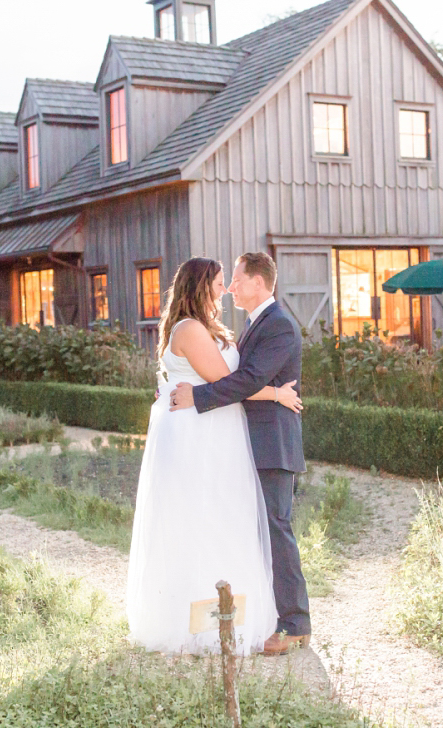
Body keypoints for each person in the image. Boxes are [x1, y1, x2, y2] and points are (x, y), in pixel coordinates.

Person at [126, 257, 303, 655]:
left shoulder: (262, 325)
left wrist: (197, 391)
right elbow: (229, 381)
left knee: (254, 525)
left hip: (233, 435)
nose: (227, 289)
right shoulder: (193, 328)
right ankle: (213, 620)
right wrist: (275, 393)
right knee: (212, 521)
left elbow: (236, 380)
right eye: (222, 282)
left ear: (258, 283)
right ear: (201, 286)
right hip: (203, 435)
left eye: (234, 281)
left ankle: (286, 621)